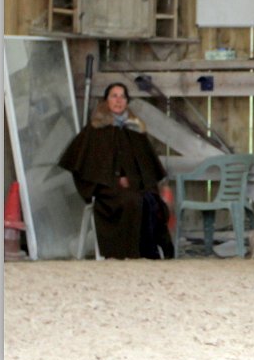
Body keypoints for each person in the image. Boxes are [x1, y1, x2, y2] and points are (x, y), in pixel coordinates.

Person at [59, 82, 174, 259]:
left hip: (135, 186)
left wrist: (134, 180)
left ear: (127, 102)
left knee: (151, 200)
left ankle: (150, 249)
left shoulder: (135, 129)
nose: (118, 100)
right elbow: (81, 163)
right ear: (106, 101)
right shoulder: (95, 130)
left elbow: (147, 166)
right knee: (132, 201)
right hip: (108, 189)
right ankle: (130, 251)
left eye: (122, 96)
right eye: (114, 96)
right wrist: (113, 180)